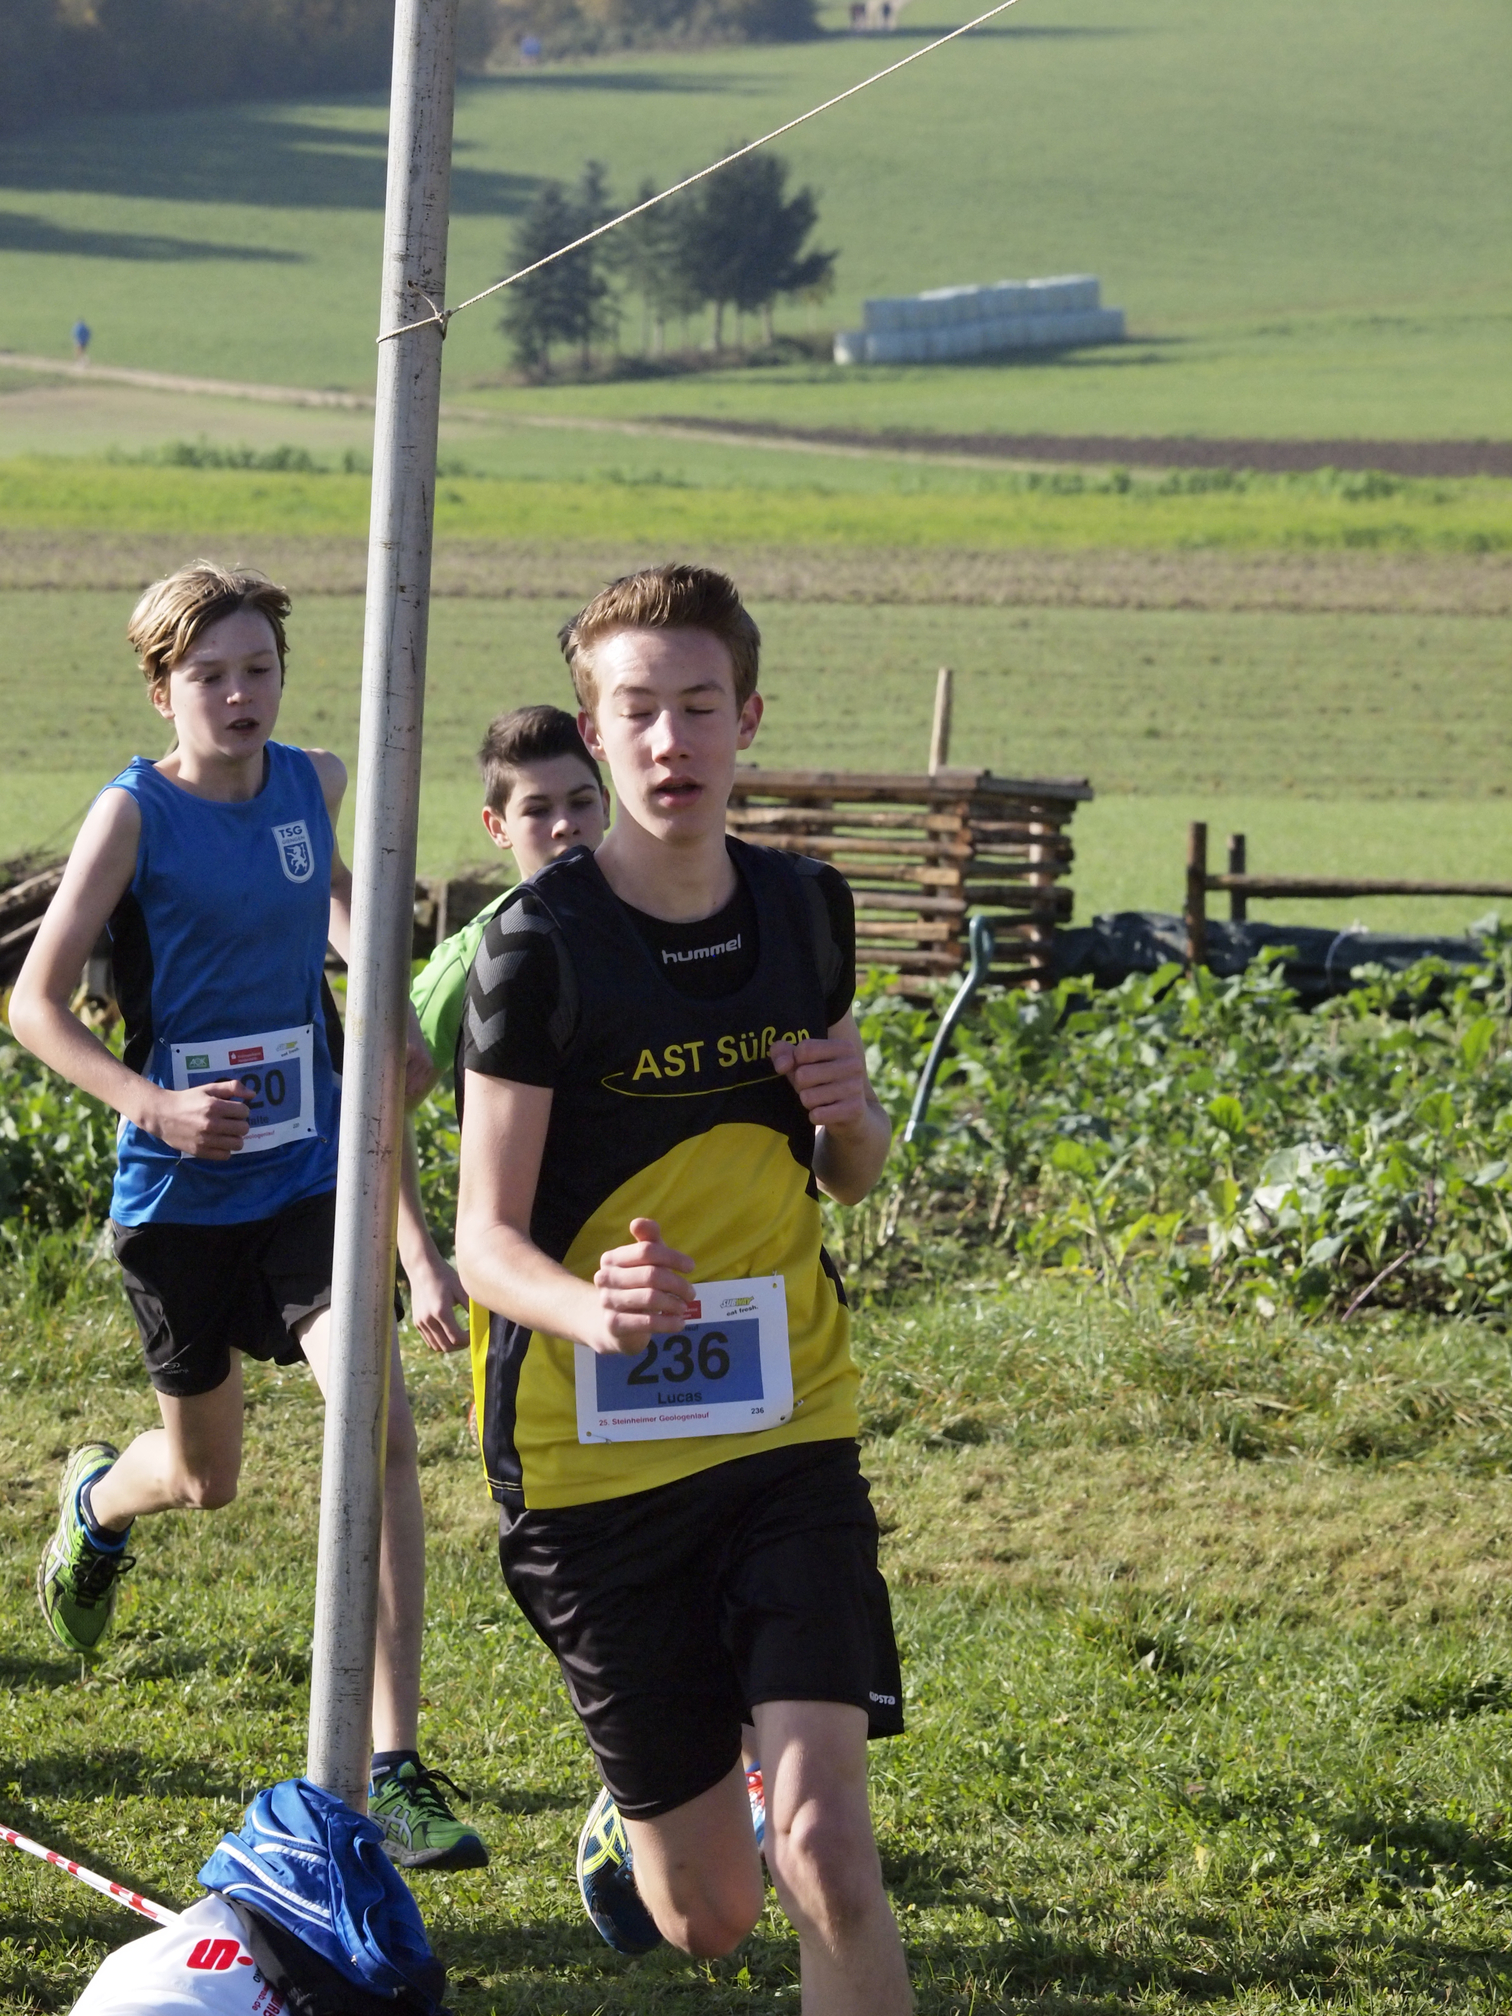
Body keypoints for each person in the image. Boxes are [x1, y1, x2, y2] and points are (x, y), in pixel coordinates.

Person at [454, 564, 911, 2011]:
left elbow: (849, 1174)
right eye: (638, 711)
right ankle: (659, 1812)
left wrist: (853, 1117)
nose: (672, 741)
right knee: (709, 1918)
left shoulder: (805, 909)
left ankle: (766, 1789)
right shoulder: (536, 951)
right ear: (593, 733)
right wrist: (596, 1311)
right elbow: (483, 1243)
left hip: (787, 1423)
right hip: (592, 1462)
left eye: (700, 706)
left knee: (829, 1849)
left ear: (747, 719)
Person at [8, 560, 485, 1873]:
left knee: (376, 1428)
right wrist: (154, 1107)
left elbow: (338, 909)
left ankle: (392, 1767)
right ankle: (100, 1504)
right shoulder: (133, 815)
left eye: (259, 669)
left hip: (306, 1176)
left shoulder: (309, 782)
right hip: (179, 1200)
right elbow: (35, 1005)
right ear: (162, 690)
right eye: (209, 674)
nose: (239, 694)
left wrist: (381, 985)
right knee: (205, 1480)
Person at [400, 703, 613, 1358]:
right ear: (497, 827)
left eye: (581, 802)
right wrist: (420, 1260)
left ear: (607, 804)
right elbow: (374, 1110)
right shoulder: (473, 958)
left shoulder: (666, 914)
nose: (564, 825)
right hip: (530, 1276)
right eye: (537, 810)